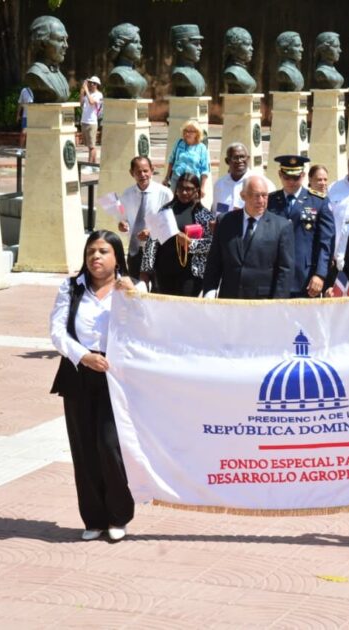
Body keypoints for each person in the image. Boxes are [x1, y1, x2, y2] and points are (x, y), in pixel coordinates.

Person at [49, 230, 137, 542]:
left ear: (117, 258)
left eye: (103, 251)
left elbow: (148, 329)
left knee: (110, 445)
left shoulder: (131, 288)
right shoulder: (71, 287)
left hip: (116, 375)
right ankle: (94, 518)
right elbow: (57, 331)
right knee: (84, 447)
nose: (96, 257)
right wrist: (83, 356)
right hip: (79, 372)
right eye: (91, 252)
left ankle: (118, 515)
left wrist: (135, 298)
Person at [202, 176, 294, 299]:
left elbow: (285, 270)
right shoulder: (225, 221)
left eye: (264, 195)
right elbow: (214, 261)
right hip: (229, 298)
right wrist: (209, 292)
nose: (261, 200)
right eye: (256, 195)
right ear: (243, 196)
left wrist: (277, 303)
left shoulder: (281, 226)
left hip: (262, 301)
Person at [268, 155, 334, 298]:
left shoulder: (318, 201)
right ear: (280, 175)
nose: (291, 182)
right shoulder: (270, 201)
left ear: (303, 175)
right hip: (274, 276)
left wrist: (320, 274)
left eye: (296, 177)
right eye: (287, 177)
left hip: (306, 278)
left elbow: (326, 242)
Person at [141, 173, 214, 297]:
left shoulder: (204, 214)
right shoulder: (165, 210)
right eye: (181, 188)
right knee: (166, 305)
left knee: (185, 306)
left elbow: (212, 244)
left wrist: (191, 244)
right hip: (164, 268)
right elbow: (153, 240)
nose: (184, 192)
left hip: (191, 272)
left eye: (189, 189)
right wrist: (145, 270)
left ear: (196, 190)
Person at [117, 156, 174, 280]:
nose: (142, 175)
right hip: (135, 250)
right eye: (138, 172)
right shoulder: (127, 194)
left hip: (158, 249)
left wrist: (151, 232)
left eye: (145, 171)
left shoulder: (165, 193)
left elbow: (170, 223)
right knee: (135, 286)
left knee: (158, 287)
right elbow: (124, 217)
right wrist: (122, 225)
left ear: (152, 170)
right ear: (132, 173)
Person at [211, 142, 275, 217]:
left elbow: (271, 213)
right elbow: (217, 212)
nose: (240, 160)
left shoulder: (263, 183)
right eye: (235, 158)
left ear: (248, 159)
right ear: (227, 161)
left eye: (242, 157)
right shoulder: (219, 184)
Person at [163, 119, 209, 199]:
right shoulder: (179, 143)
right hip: (176, 178)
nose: (187, 133)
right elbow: (171, 160)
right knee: (172, 201)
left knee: (191, 203)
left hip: (192, 181)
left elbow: (205, 170)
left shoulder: (202, 148)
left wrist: (202, 187)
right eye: (186, 130)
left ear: (197, 133)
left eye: (191, 131)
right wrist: (167, 178)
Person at [79, 76, 102, 163]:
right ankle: (94, 164)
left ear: (97, 85)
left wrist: (86, 90)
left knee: (92, 146)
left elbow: (92, 102)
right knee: (89, 146)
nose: (92, 84)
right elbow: (81, 104)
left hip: (92, 122)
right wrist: (82, 90)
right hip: (84, 121)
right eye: (90, 82)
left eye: (94, 83)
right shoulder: (87, 94)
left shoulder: (99, 95)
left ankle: (89, 165)